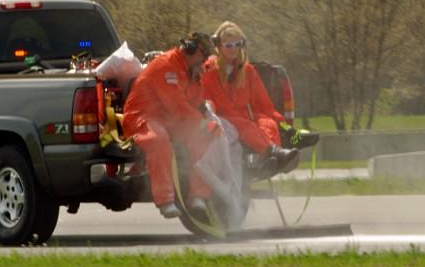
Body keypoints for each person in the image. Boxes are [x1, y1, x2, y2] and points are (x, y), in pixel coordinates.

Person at [121, 33, 220, 221]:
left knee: (203, 137)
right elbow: (177, 106)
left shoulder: (190, 71)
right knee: (157, 139)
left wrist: (206, 116)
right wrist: (202, 122)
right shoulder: (166, 65)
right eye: (203, 54)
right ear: (189, 49)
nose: (205, 60)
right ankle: (165, 199)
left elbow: (194, 103)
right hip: (142, 117)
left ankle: (199, 196)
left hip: (170, 120)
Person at [201, 21, 300, 176]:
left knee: (267, 123)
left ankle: (268, 161)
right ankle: (273, 154)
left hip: (244, 118)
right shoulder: (209, 71)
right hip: (222, 118)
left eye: (237, 44)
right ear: (219, 46)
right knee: (247, 126)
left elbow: (263, 103)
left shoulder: (247, 70)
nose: (233, 49)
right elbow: (212, 103)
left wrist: (281, 123)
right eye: (228, 45)